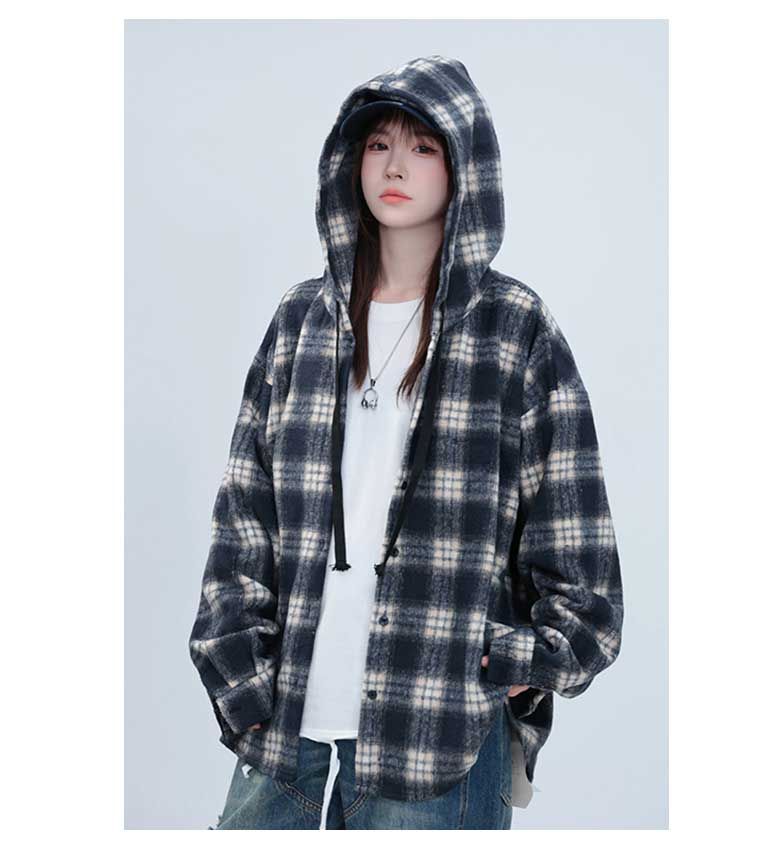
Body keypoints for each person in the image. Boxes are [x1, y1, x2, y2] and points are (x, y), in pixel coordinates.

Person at [188, 54, 624, 830]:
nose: (395, 166)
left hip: (438, 741)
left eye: (423, 147)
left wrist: (516, 660)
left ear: (464, 169)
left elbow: (578, 546)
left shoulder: (513, 329)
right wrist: (238, 673)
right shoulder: (300, 323)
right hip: (280, 733)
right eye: (378, 144)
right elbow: (242, 517)